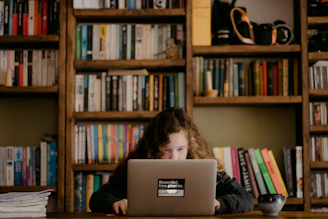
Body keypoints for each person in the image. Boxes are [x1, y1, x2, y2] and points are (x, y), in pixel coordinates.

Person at [89, 107, 254, 215]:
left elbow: (245, 197)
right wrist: (115, 203)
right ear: (154, 148)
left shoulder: (202, 166)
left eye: (180, 149)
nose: (174, 157)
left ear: (190, 146)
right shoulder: (138, 165)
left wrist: (219, 204)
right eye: (166, 150)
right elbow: (97, 198)